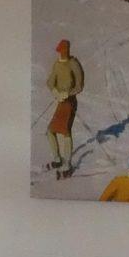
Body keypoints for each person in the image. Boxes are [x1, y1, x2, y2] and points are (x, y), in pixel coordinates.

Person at [43, 38, 84, 177]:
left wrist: (68, 93)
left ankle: (67, 164)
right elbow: (50, 82)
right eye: (60, 51)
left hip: (70, 103)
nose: (61, 53)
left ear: (67, 50)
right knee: (50, 131)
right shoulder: (57, 64)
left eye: (63, 51)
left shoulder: (74, 64)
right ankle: (57, 159)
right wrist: (56, 92)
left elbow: (79, 86)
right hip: (61, 103)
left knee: (66, 132)